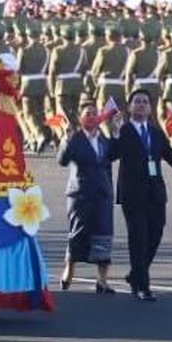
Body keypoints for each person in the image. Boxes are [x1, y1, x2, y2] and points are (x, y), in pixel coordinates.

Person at [107, 89, 172, 301]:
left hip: (156, 193)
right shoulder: (123, 131)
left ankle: (135, 275)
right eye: (137, 102)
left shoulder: (156, 133)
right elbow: (110, 155)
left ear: (150, 108)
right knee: (138, 238)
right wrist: (114, 134)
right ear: (129, 107)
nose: (141, 105)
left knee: (155, 235)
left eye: (145, 102)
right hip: (132, 194)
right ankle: (143, 285)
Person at [57, 109, 116, 293]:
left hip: (102, 194)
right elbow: (63, 161)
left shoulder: (104, 140)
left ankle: (102, 279)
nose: (91, 116)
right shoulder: (75, 139)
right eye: (87, 113)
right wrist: (66, 138)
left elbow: (110, 161)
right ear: (79, 118)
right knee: (77, 232)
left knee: (104, 233)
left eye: (93, 113)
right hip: (80, 193)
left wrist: (117, 131)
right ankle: (69, 270)